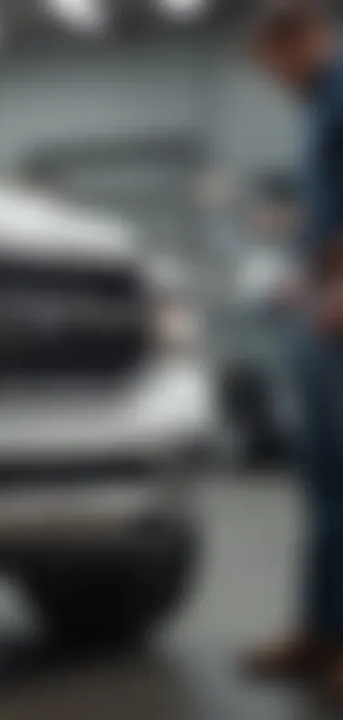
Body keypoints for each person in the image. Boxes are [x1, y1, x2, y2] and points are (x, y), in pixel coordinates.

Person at [244, 0, 343, 700]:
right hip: (319, 304)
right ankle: (319, 629)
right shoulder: (316, 107)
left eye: (272, 64)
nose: (272, 80)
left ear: (301, 36)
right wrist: (299, 271)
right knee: (322, 484)